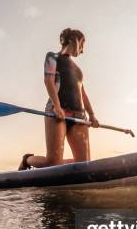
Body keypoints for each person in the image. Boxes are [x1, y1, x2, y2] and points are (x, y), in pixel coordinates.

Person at [18, 28, 99, 170]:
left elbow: (83, 94)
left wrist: (92, 115)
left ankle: (66, 170)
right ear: (75, 40)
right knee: (52, 163)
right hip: (56, 112)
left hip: (79, 116)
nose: (82, 51)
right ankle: (27, 160)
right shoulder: (52, 57)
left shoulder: (78, 70)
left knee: (84, 164)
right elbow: (48, 80)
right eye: (82, 46)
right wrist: (57, 105)